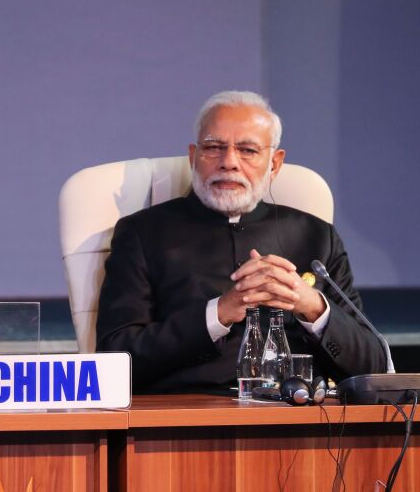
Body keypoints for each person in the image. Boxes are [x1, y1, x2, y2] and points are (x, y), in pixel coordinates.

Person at [96, 91, 386, 393]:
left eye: (247, 150)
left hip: (300, 424)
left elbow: (373, 369)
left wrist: (311, 305)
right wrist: (218, 313)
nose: (229, 162)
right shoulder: (142, 234)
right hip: (182, 424)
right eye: (213, 147)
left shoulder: (316, 236)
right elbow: (113, 361)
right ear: (194, 156)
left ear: (274, 164)